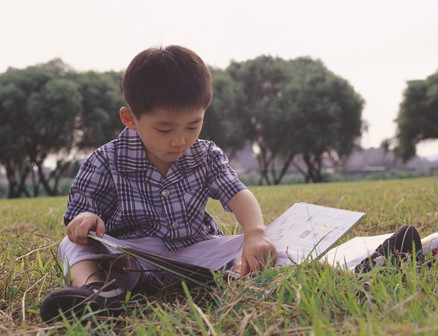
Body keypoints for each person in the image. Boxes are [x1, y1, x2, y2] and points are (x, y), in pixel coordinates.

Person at [40, 45, 277, 322]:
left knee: (262, 244)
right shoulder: (106, 160)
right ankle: (100, 293)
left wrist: (255, 233)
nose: (180, 140)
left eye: (193, 126)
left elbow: (238, 194)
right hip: (131, 255)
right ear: (131, 119)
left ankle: (237, 273)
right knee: (71, 246)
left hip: (193, 249)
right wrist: (87, 217)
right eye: (164, 129)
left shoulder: (206, 155)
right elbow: (80, 215)